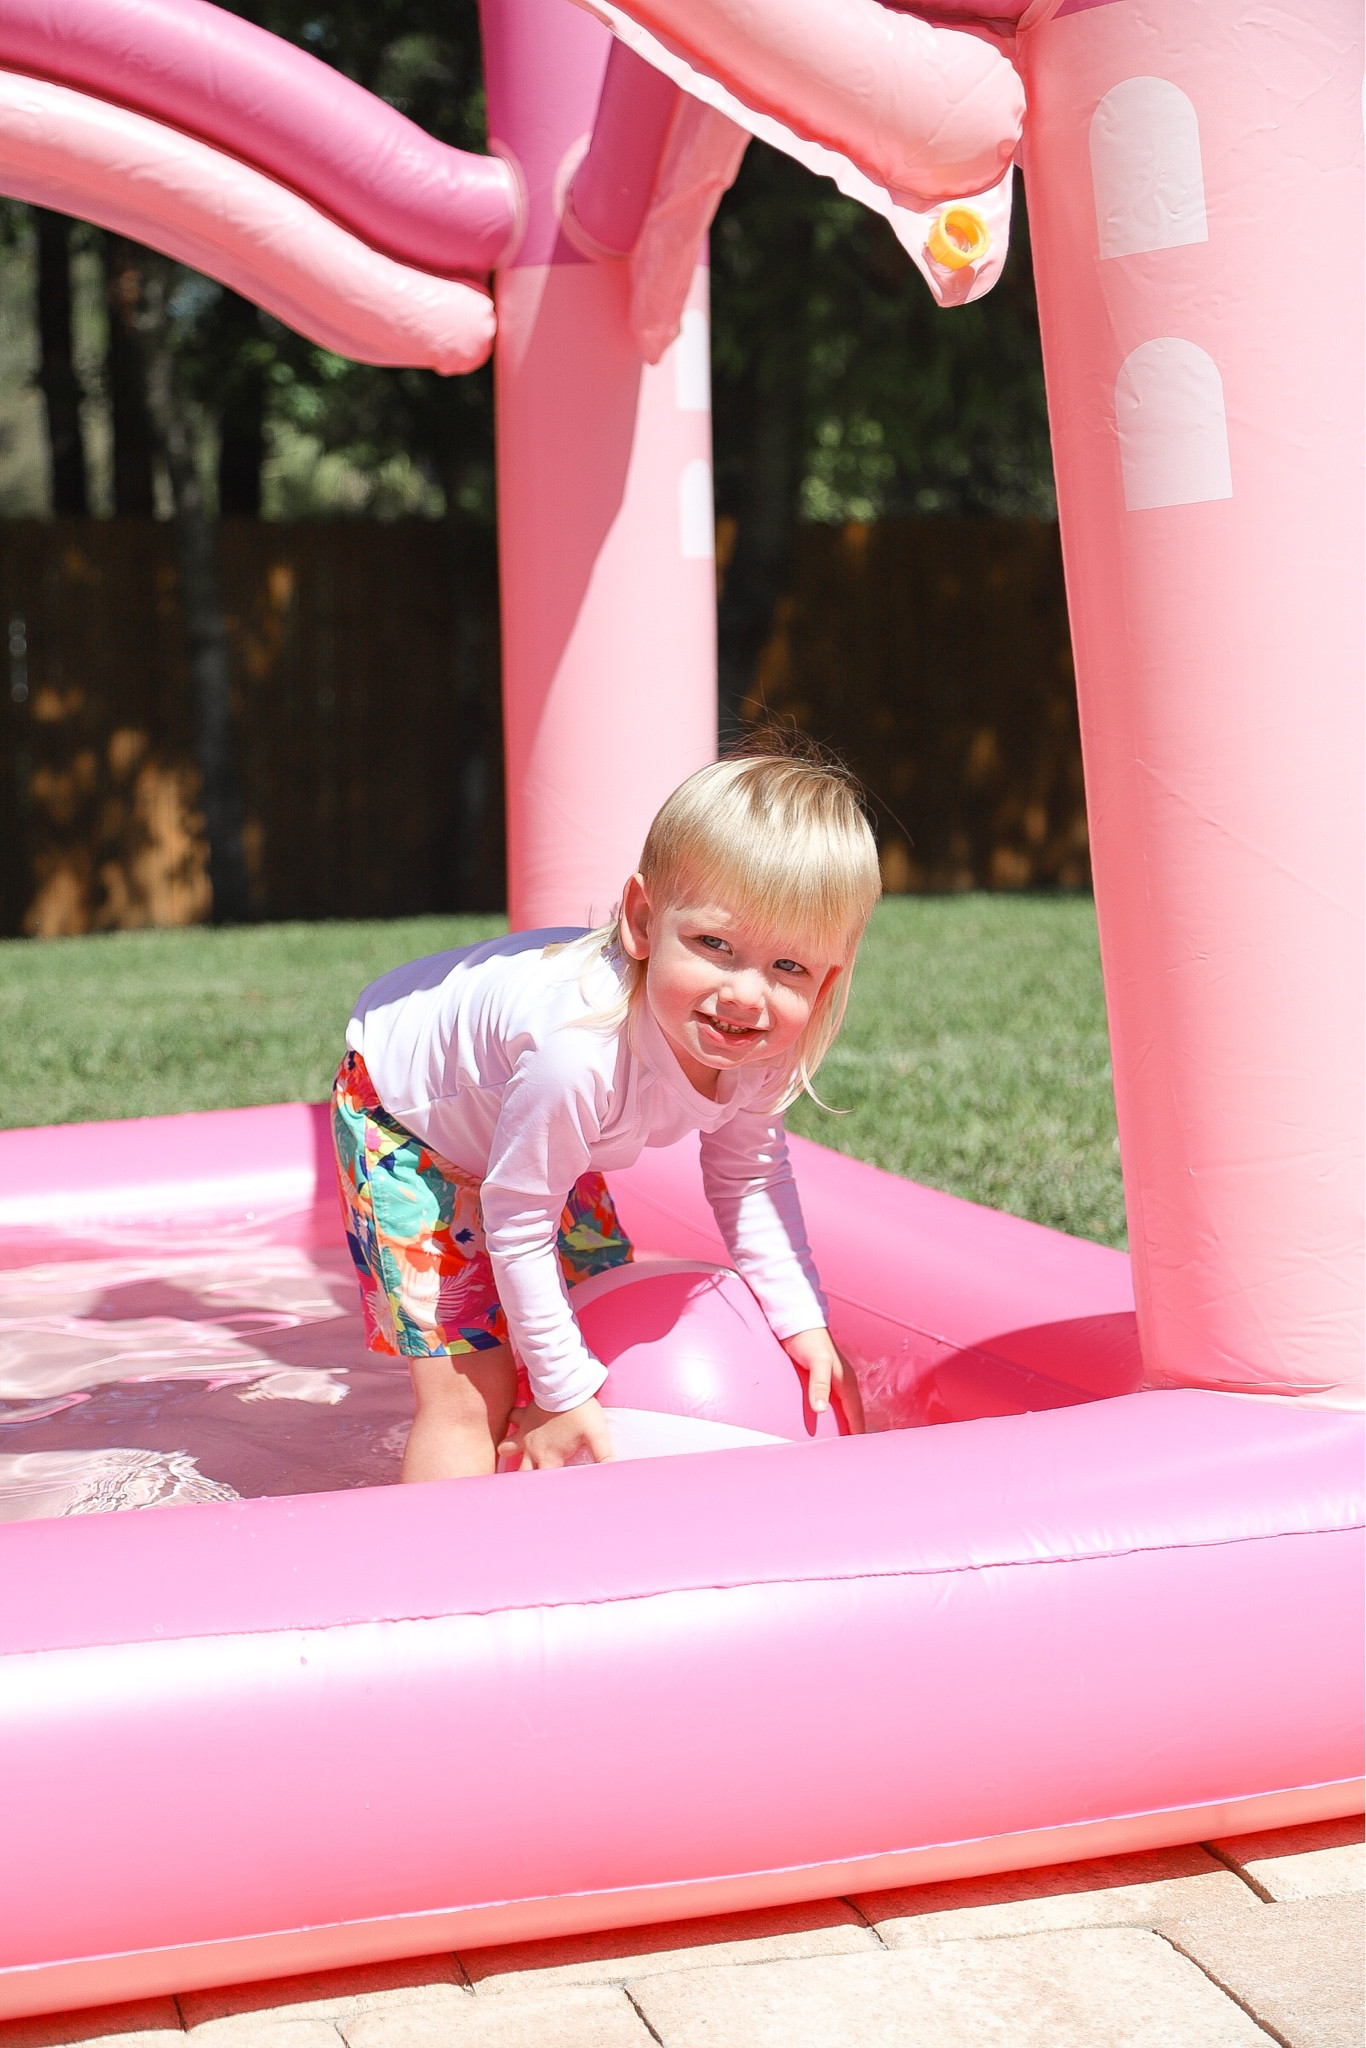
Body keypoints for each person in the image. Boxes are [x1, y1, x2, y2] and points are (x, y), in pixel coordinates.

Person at [332, 744, 881, 1479]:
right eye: (715, 945)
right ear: (643, 921)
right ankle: (432, 1584)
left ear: (825, 980)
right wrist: (560, 1393)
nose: (746, 995)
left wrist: (801, 1320)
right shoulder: (576, 1054)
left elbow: (750, 1181)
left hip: (531, 1125)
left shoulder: (763, 1042)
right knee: (477, 1391)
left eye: (789, 967)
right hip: (405, 1119)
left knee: (599, 1316)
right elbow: (517, 1218)